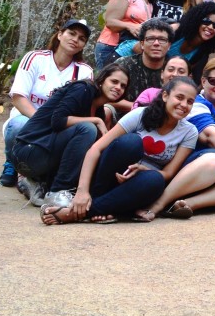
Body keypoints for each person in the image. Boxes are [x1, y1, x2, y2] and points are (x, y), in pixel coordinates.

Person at [40, 77, 199, 225]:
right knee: (131, 142)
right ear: (165, 96)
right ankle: (97, 201)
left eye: (190, 101)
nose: (184, 104)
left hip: (138, 184)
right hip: (108, 176)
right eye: (179, 97)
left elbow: (169, 173)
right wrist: (83, 191)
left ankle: (77, 213)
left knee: (156, 180)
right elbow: (95, 149)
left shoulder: (189, 132)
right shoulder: (140, 115)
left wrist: (144, 169)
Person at [140, 58, 215, 220]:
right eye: (214, 81)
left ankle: (188, 204)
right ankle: (160, 203)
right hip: (193, 168)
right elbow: (209, 135)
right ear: (203, 81)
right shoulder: (193, 102)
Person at [12, 65, 130, 207]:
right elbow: (58, 121)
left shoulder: (98, 109)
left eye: (123, 86)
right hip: (28, 152)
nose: (118, 88)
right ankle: (58, 191)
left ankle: (40, 183)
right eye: (114, 81)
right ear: (102, 80)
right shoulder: (83, 89)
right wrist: (96, 121)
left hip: (44, 157)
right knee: (87, 129)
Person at [0, 19, 93, 187]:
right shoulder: (35, 58)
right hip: (27, 117)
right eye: (71, 33)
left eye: (81, 38)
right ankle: (12, 162)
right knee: (18, 126)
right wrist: (41, 122)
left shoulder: (84, 71)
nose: (75, 39)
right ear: (59, 34)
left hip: (59, 125)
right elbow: (18, 96)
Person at [95, 0, 162, 69]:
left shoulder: (151, 0)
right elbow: (110, 21)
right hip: (110, 46)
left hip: (132, 47)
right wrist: (129, 26)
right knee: (106, 82)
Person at [110, 18, 173, 116]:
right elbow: (106, 97)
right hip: (123, 119)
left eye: (162, 40)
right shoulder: (124, 64)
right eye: (151, 39)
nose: (156, 43)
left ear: (169, 45)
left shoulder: (174, 69)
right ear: (142, 44)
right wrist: (140, 108)